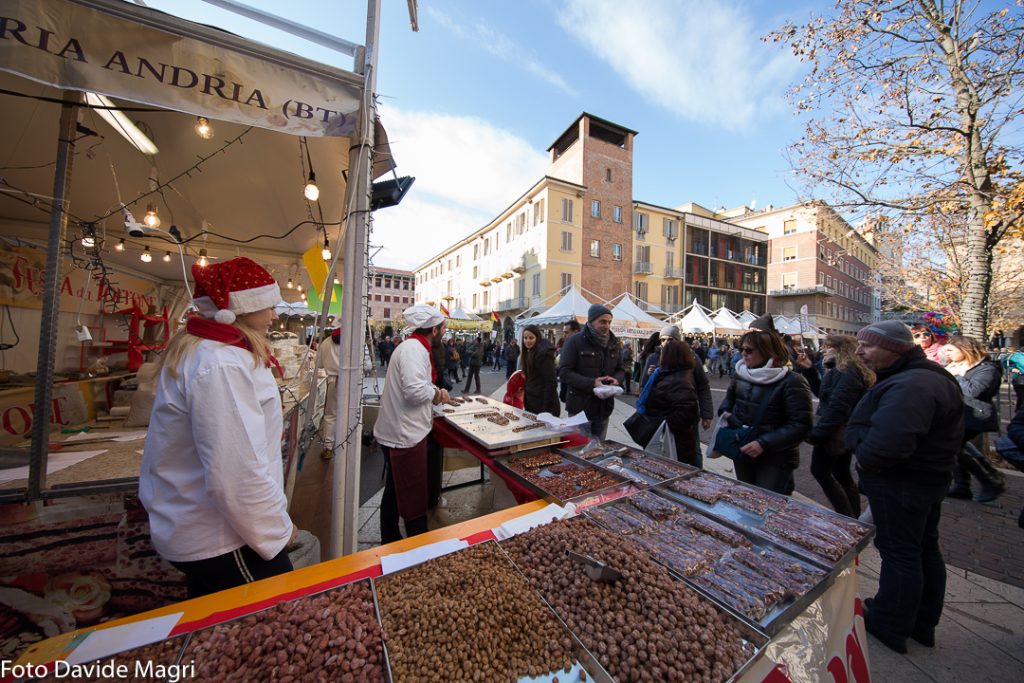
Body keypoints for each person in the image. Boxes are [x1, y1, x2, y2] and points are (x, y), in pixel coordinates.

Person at [140, 257, 297, 598]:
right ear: (240, 309)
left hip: (212, 529)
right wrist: (276, 530)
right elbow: (236, 472)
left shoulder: (210, 352)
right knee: (279, 615)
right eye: (267, 307)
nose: (274, 316)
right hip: (225, 536)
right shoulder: (221, 363)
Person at [845, 321, 963, 654]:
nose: (860, 353)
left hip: (902, 482)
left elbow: (889, 444)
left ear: (893, 348)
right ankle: (922, 621)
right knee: (923, 547)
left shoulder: (912, 385)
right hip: (922, 479)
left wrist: (864, 459)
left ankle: (890, 621)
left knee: (901, 552)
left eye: (867, 346)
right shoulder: (922, 378)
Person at [374, 305, 450, 544]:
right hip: (405, 434)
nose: (445, 334)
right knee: (412, 494)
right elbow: (414, 391)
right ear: (435, 331)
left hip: (401, 430)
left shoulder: (413, 347)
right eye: (443, 329)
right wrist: (437, 394)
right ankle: (416, 544)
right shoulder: (414, 349)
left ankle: (390, 538)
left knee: (395, 490)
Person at [718, 329, 813, 494]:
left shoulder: (792, 381)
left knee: (766, 503)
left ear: (767, 351)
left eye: (749, 350)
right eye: (741, 349)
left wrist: (764, 443)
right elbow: (728, 402)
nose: (743, 354)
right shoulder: (740, 375)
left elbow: (801, 425)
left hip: (775, 457)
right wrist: (730, 417)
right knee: (746, 496)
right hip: (743, 447)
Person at [799, 334, 874, 518]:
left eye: (827, 347)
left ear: (841, 350)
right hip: (839, 430)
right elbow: (823, 395)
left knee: (821, 471)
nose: (822, 350)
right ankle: (852, 515)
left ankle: (846, 515)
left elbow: (837, 408)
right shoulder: (839, 370)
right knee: (840, 473)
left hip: (836, 432)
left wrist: (818, 433)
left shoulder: (848, 372)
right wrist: (809, 370)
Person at [942, 335, 1005, 502]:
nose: (947, 354)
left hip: (976, 417)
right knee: (957, 447)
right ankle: (964, 485)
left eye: (951, 350)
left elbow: (974, 391)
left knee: (952, 446)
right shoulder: (959, 366)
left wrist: (956, 375)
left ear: (965, 350)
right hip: (958, 415)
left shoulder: (988, 369)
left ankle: (989, 481)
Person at [559, 304, 626, 440]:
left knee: (598, 451)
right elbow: (565, 373)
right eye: (602, 321)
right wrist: (592, 383)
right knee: (579, 450)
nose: (606, 325)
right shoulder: (574, 341)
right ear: (591, 321)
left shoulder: (613, 343)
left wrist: (617, 379)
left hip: (603, 409)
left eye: (609, 322)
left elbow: (620, 369)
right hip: (580, 409)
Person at [638, 339, 703, 466]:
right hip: (668, 439)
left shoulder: (679, 381)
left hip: (673, 443)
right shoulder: (664, 374)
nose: (660, 355)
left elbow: (687, 414)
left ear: (670, 357)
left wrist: (662, 422)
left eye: (663, 352)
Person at [520, 324, 560, 416]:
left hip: (542, 406)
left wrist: (545, 410)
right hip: (532, 402)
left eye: (531, 338)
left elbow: (551, 382)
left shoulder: (543, 354)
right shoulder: (531, 352)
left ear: (537, 338)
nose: (527, 341)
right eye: (525, 338)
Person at [316, 327, 342, 460]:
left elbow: (319, 364)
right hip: (351, 382)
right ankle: (347, 446)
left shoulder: (325, 342)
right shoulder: (355, 341)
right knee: (351, 414)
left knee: (331, 415)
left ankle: (328, 447)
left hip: (333, 381)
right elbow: (366, 365)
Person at [558, 319, 581, 403]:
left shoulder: (582, 348)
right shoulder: (566, 345)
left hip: (577, 392)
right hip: (567, 390)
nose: (564, 335)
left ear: (575, 332)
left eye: (566, 332)